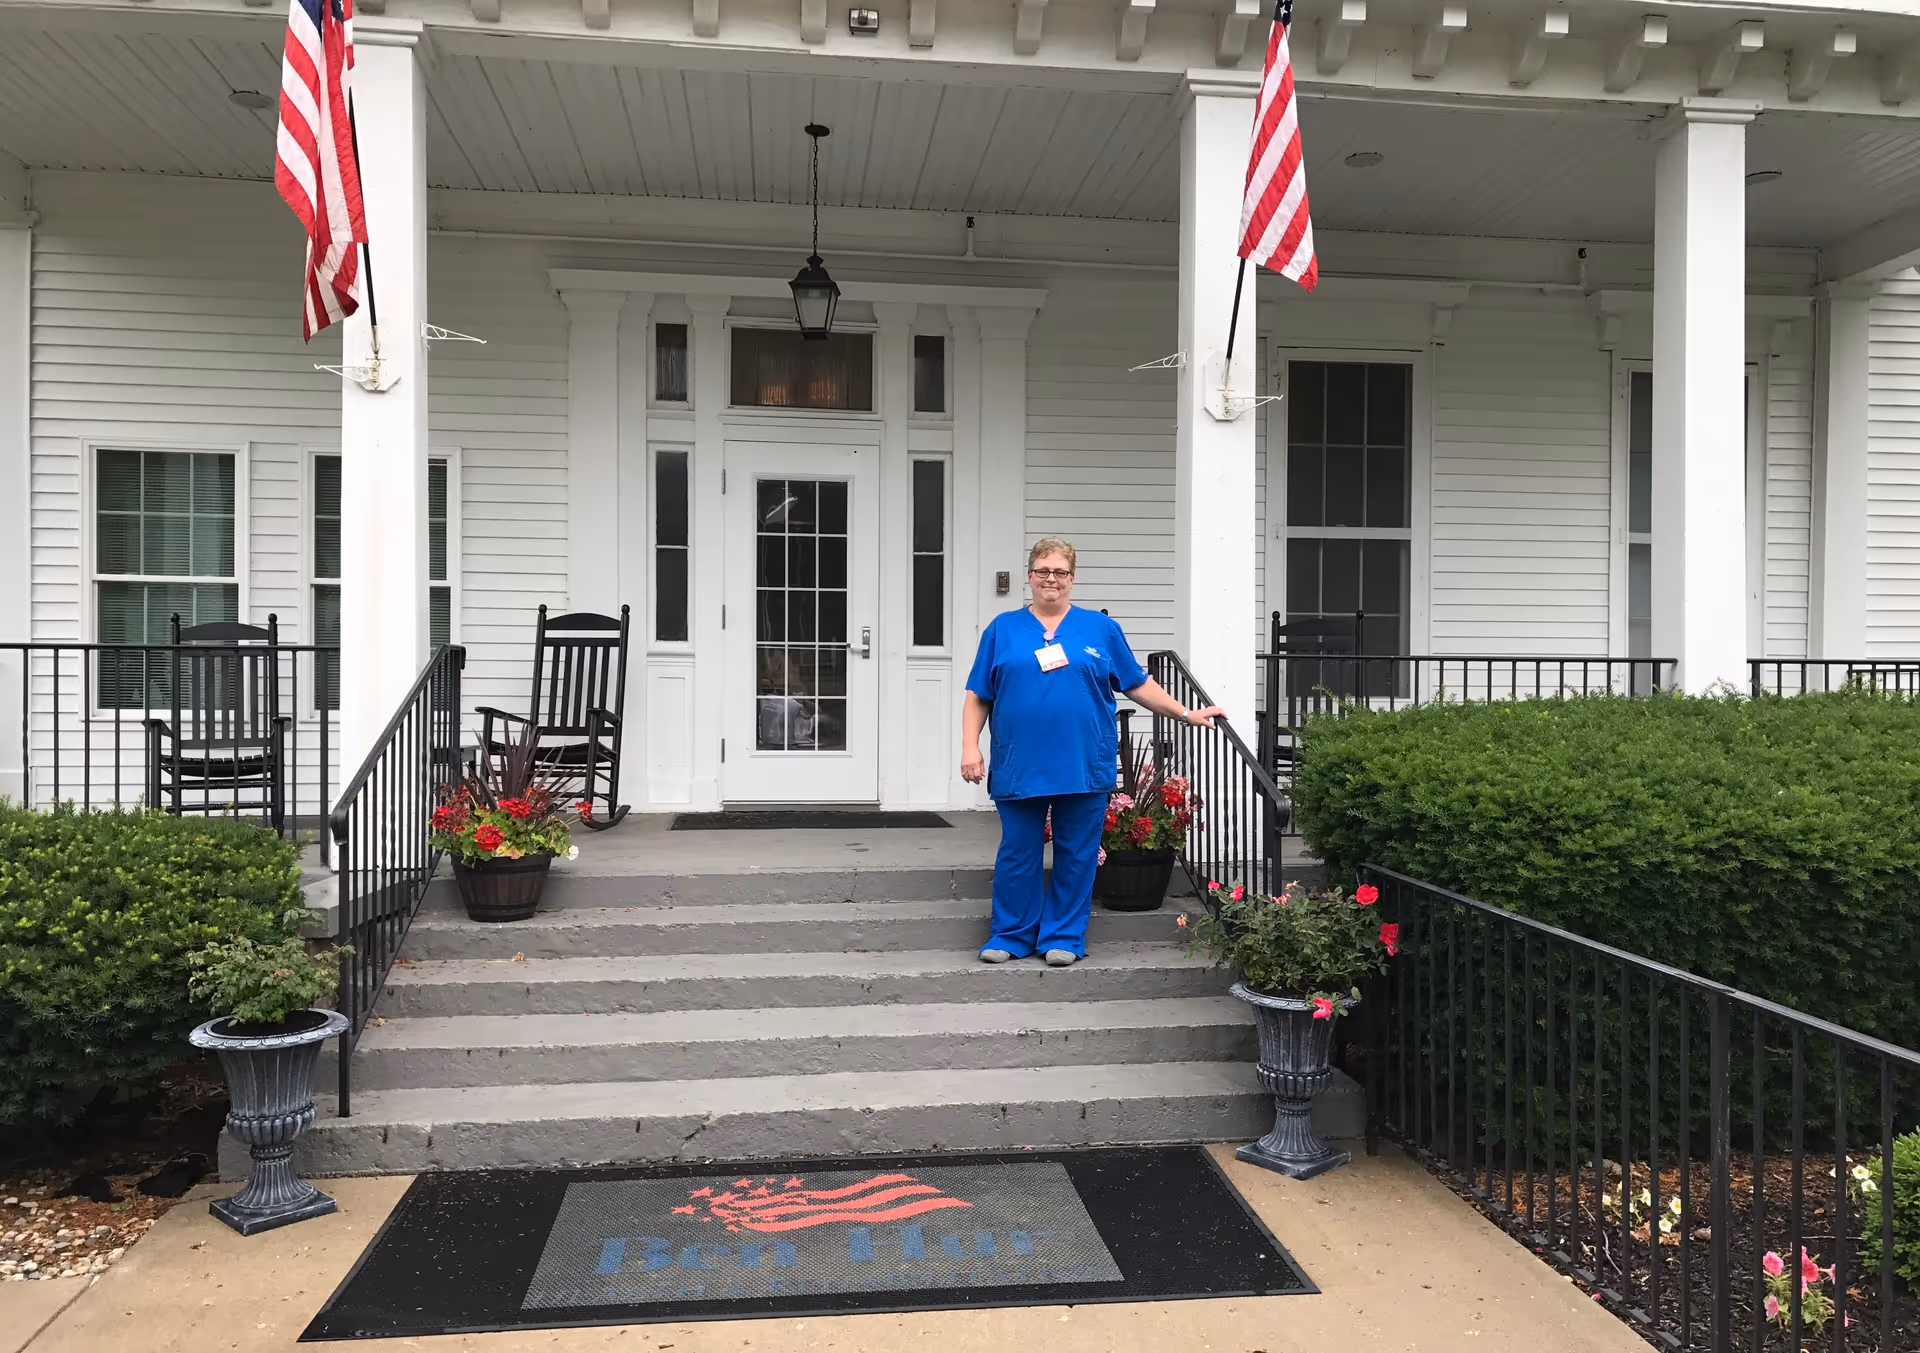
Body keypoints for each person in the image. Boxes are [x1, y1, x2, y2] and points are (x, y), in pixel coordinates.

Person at [961, 538, 1224, 967]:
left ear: (1072, 578)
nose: (1051, 579)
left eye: (1060, 572)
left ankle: (1063, 936)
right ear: (1029, 576)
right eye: (1043, 570)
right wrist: (970, 746)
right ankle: (1010, 934)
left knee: (1077, 852)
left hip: (1083, 761)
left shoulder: (1100, 629)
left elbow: (1137, 683)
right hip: (1019, 761)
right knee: (1017, 851)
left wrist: (1185, 713)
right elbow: (978, 694)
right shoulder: (1002, 629)